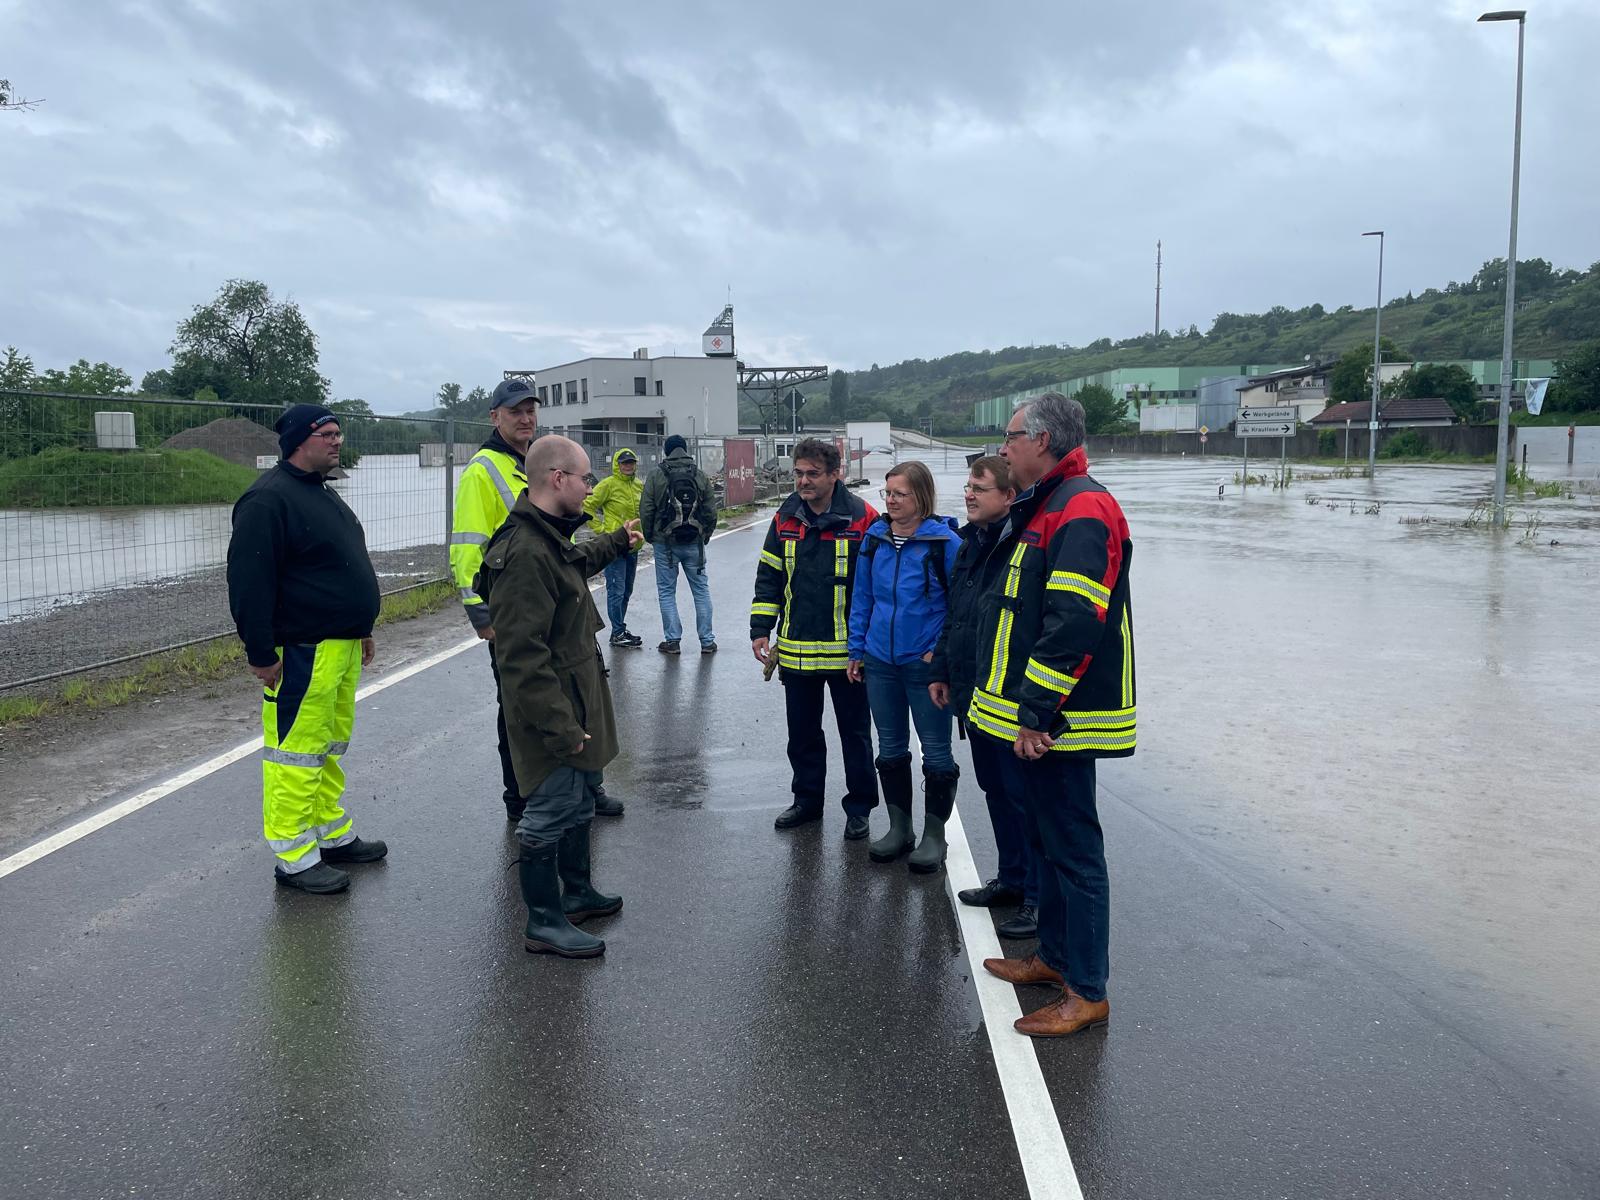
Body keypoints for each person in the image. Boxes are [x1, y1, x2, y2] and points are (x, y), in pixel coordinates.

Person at [972, 393, 1136, 1038]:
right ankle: (1053, 960)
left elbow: (1072, 622)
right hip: (1038, 716)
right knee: (1044, 841)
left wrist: (1036, 712)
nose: (1002, 446)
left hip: (1064, 718)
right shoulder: (1046, 504)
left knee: (1073, 851)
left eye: (1010, 436)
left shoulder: (1082, 508)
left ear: (1042, 440)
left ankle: (1088, 991)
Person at [473, 435, 644, 958]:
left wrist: (617, 539)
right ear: (557, 479)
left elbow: (575, 562)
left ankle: (579, 894)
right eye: (586, 478)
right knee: (548, 810)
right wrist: (561, 727)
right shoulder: (524, 551)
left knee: (576, 802)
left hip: (576, 696)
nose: (591, 487)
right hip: (554, 712)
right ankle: (544, 921)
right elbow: (521, 661)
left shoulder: (546, 535)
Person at [226, 403, 385, 895]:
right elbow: (249, 583)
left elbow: (337, 566)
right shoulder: (268, 500)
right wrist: (260, 652)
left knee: (327, 749)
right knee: (295, 754)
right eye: (329, 434)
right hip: (301, 652)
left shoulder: (321, 493)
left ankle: (330, 834)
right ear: (299, 441)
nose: (338, 441)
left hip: (339, 649)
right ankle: (295, 857)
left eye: (340, 433)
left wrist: (361, 625)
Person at [928, 456, 1039, 938]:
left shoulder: (1021, 546)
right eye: (968, 486)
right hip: (978, 694)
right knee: (996, 792)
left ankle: (1037, 898)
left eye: (980, 487)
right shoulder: (972, 543)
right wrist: (944, 668)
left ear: (1008, 496)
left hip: (1013, 699)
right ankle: (1012, 880)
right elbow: (959, 616)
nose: (969, 494)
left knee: (1023, 800)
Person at [750, 436, 880, 837]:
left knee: (854, 735)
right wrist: (760, 630)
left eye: (813, 474)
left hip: (848, 658)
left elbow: (877, 588)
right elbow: (769, 576)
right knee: (803, 735)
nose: (803, 481)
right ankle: (807, 801)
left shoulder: (864, 518)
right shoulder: (784, 519)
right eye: (799, 473)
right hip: (797, 653)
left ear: (835, 474)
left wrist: (867, 646)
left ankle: (859, 808)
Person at [845, 461, 962, 871]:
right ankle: (900, 828)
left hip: (923, 666)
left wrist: (938, 656)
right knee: (890, 748)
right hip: (880, 661)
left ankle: (934, 835)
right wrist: (856, 650)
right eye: (887, 493)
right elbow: (862, 599)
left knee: (936, 752)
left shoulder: (943, 544)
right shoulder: (874, 540)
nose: (891, 501)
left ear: (922, 497)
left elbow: (958, 608)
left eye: (900, 494)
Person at [449, 376, 538, 821]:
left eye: (530, 410)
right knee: (518, 710)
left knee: (567, 697)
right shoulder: (482, 470)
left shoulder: (534, 462)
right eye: (515, 411)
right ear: (495, 417)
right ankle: (518, 799)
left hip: (547, 606)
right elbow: (467, 546)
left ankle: (578, 787)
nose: (526, 418)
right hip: (509, 612)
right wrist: (481, 614)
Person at [638, 433, 718, 655]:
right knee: (701, 590)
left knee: (666, 591)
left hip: (665, 542)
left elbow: (646, 508)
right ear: (685, 450)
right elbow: (711, 509)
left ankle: (672, 641)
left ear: (666, 451)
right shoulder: (699, 474)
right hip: (695, 541)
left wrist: (650, 536)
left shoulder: (656, 474)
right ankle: (707, 641)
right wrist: (706, 535)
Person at [584, 448, 645, 649]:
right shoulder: (608, 485)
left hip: (633, 548)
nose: (628, 466)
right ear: (617, 465)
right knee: (616, 591)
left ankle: (618, 630)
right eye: (624, 462)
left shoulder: (638, 485)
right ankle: (618, 632)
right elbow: (587, 506)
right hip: (615, 548)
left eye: (631, 462)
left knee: (626, 591)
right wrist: (603, 532)